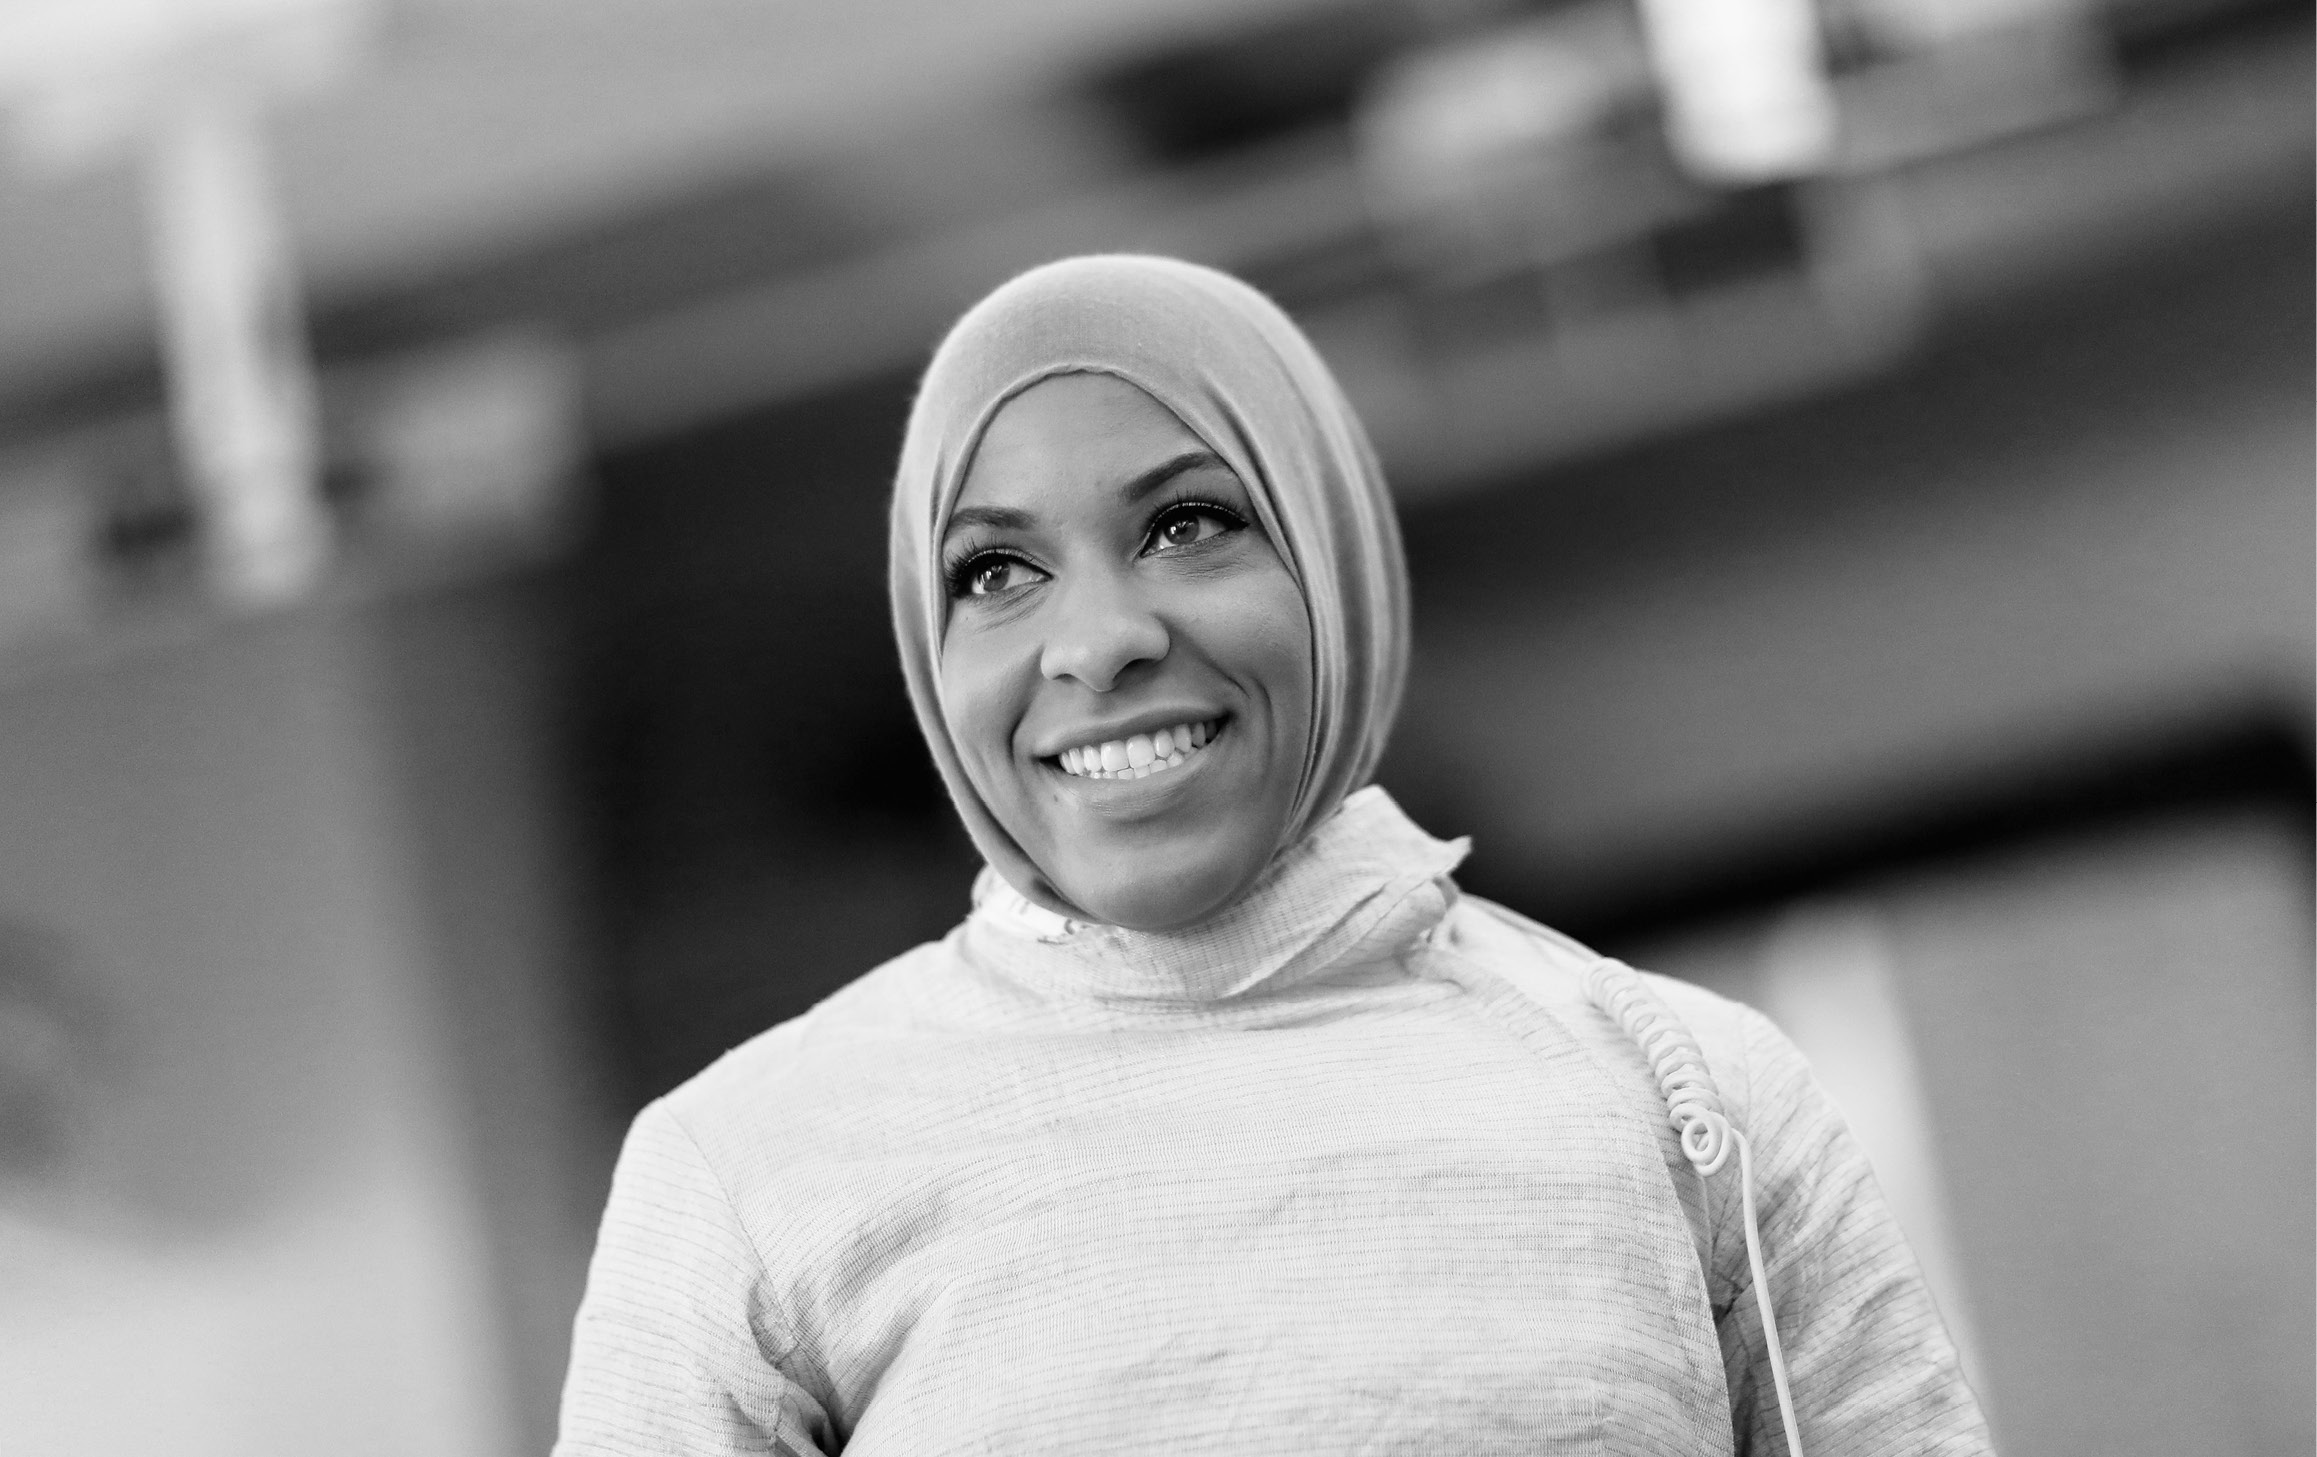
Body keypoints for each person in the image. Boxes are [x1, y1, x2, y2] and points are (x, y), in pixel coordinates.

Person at [554, 255, 1993, 1456]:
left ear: (1336, 562)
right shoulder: (747, 1169)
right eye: (995, 570)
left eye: (1188, 524)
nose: (1099, 638)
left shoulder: (1686, 1093)